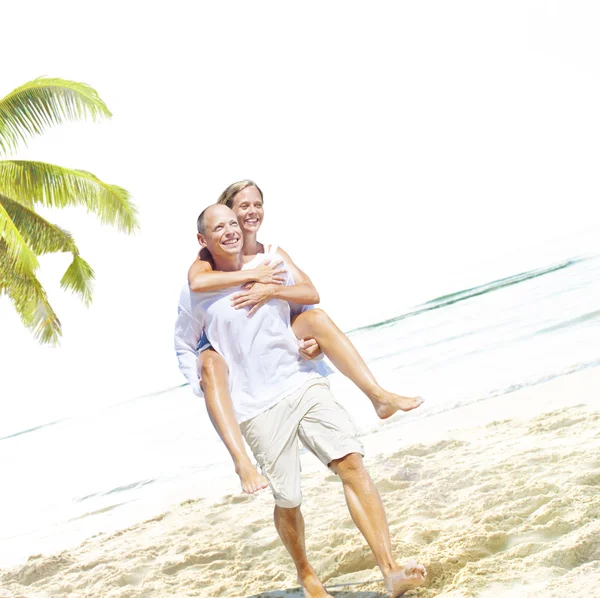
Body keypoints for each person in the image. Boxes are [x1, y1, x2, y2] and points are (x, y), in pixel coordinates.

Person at [178, 203, 427, 598]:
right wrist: (208, 376)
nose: (229, 231)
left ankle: (390, 569)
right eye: (218, 227)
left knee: (352, 465)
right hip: (256, 405)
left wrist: (311, 347)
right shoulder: (198, 289)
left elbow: (304, 310)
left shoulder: (271, 262)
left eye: (232, 223)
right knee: (288, 497)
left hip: (299, 381)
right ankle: (306, 572)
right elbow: (184, 344)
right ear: (202, 240)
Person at [175, 180, 424, 496]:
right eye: (242, 207)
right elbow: (196, 283)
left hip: (285, 362)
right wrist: (253, 275)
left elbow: (309, 297)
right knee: (288, 496)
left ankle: (378, 396)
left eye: (257, 205)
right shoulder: (208, 263)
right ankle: (241, 462)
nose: (251, 213)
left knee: (316, 320)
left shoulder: (273, 255)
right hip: (238, 364)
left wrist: (275, 294)